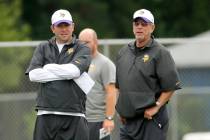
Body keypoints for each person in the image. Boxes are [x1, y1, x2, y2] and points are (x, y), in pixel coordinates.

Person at [25, 9, 92, 140]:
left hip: (74, 115)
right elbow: (33, 75)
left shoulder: (82, 48)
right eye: (59, 26)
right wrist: (66, 73)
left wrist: (48, 67)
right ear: (52, 28)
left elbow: (75, 71)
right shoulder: (43, 47)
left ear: (72, 26)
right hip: (46, 115)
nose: (64, 29)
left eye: (66, 25)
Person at [115, 9, 181, 140]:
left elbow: (171, 86)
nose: (139, 27)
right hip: (128, 122)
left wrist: (156, 107)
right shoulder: (123, 52)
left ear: (152, 27)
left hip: (151, 120)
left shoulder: (161, 52)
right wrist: (120, 109)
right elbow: (119, 86)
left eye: (144, 24)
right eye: (136, 23)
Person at [79, 28, 117, 140]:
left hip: (98, 121)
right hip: (79, 120)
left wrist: (109, 118)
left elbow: (111, 92)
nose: (83, 45)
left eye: (87, 42)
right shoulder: (78, 62)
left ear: (96, 42)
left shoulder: (105, 64)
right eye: (81, 42)